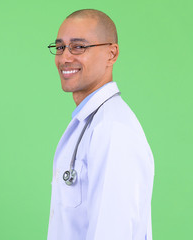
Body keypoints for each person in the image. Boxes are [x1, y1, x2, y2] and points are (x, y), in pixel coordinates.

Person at [46, 9, 154, 240]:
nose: (65, 57)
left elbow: (113, 232)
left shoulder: (113, 130)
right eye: (60, 47)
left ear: (111, 54)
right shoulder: (89, 123)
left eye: (78, 47)